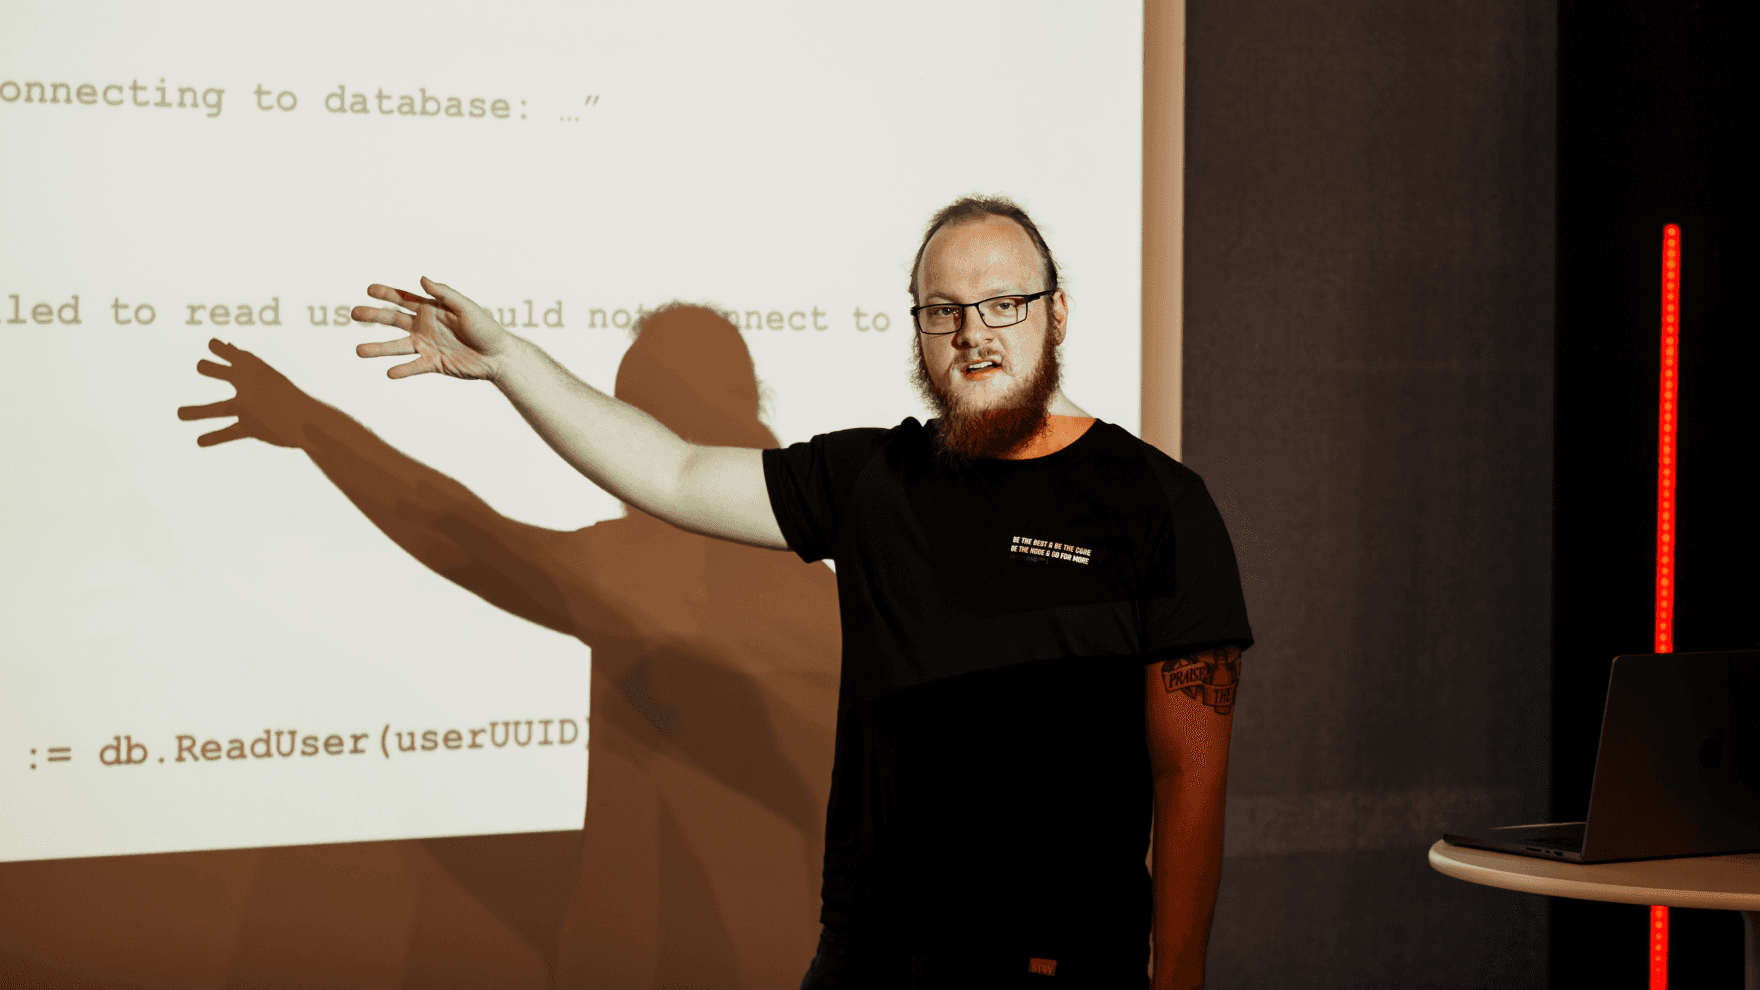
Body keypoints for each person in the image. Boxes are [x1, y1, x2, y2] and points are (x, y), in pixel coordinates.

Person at [350, 196, 1253, 990]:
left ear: (1055, 316)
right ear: (919, 332)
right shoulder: (873, 479)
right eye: (944, 311)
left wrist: (1176, 981)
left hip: (1056, 967)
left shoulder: (1159, 505)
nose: (975, 332)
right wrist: (510, 362)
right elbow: (672, 470)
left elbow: (1190, 778)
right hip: (867, 961)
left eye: (1003, 304)